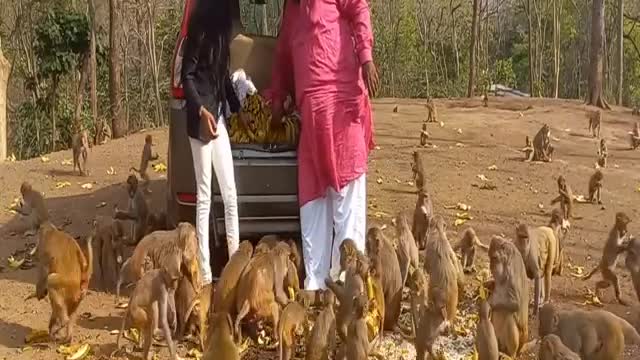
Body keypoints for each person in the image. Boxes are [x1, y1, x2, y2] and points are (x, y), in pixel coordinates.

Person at [270, 0, 379, 293]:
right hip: (312, 115)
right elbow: (282, 55)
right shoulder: (292, 10)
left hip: (342, 103)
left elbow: (359, 8)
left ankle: (348, 281)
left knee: (347, 197)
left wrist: (365, 56)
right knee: (315, 201)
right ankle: (316, 284)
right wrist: (278, 97)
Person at [181, 0, 249, 319]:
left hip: (217, 116)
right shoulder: (198, 30)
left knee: (231, 194)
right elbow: (187, 76)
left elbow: (221, 78)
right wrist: (201, 110)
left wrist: (238, 108)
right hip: (200, 120)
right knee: (205, 196)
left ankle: (234, 264)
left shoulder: (223, 36)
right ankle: (206, 274)